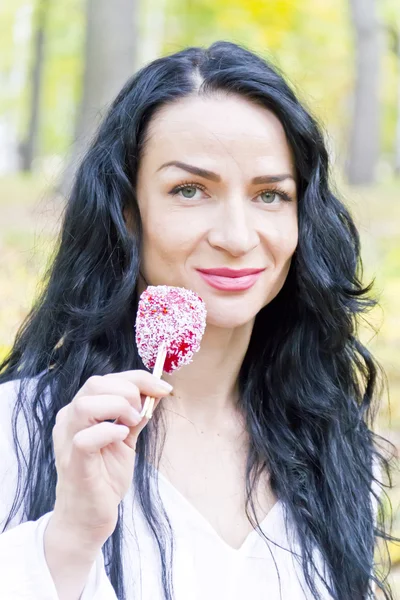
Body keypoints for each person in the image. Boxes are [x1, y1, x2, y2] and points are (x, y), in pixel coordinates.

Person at [0, 40, 395, 600]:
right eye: (190, 190)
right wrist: (71, 536)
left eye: (270, 195)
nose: (236, 237)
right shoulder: (17, 431)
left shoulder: (335, 447)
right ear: (128, 214)